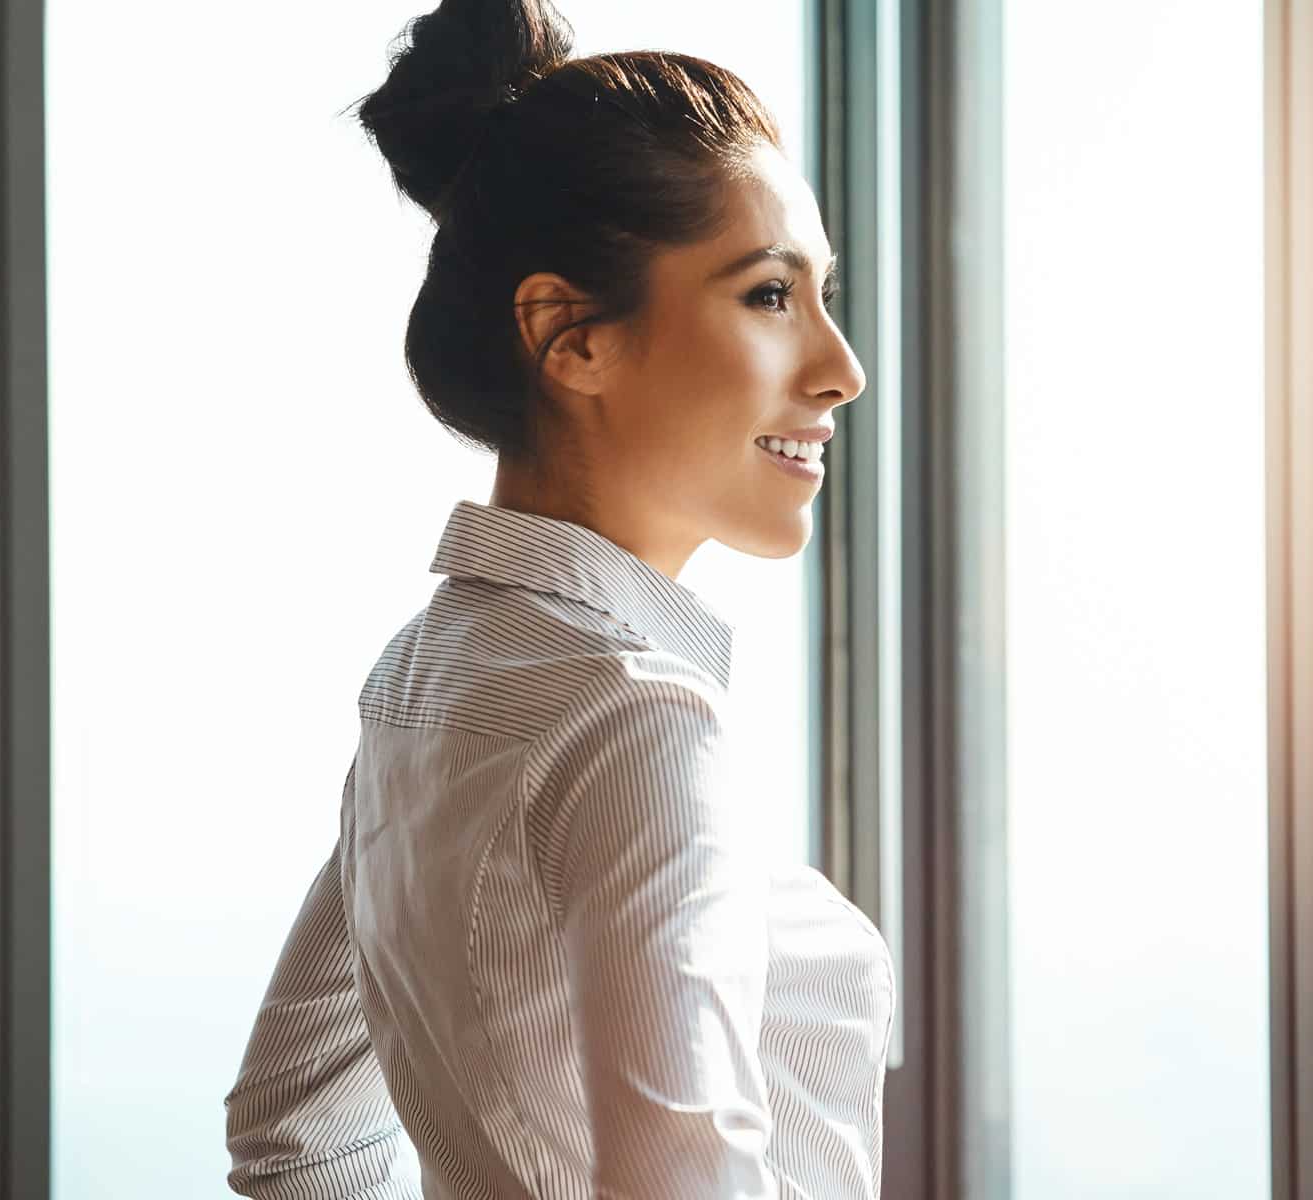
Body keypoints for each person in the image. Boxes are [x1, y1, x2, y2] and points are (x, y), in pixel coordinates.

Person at [221, 1, 889, 1196]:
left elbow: (295, 1137)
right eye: (770, 297)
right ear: (567, 336)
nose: (841, 369)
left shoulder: (427, 678)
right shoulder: (635, 721)